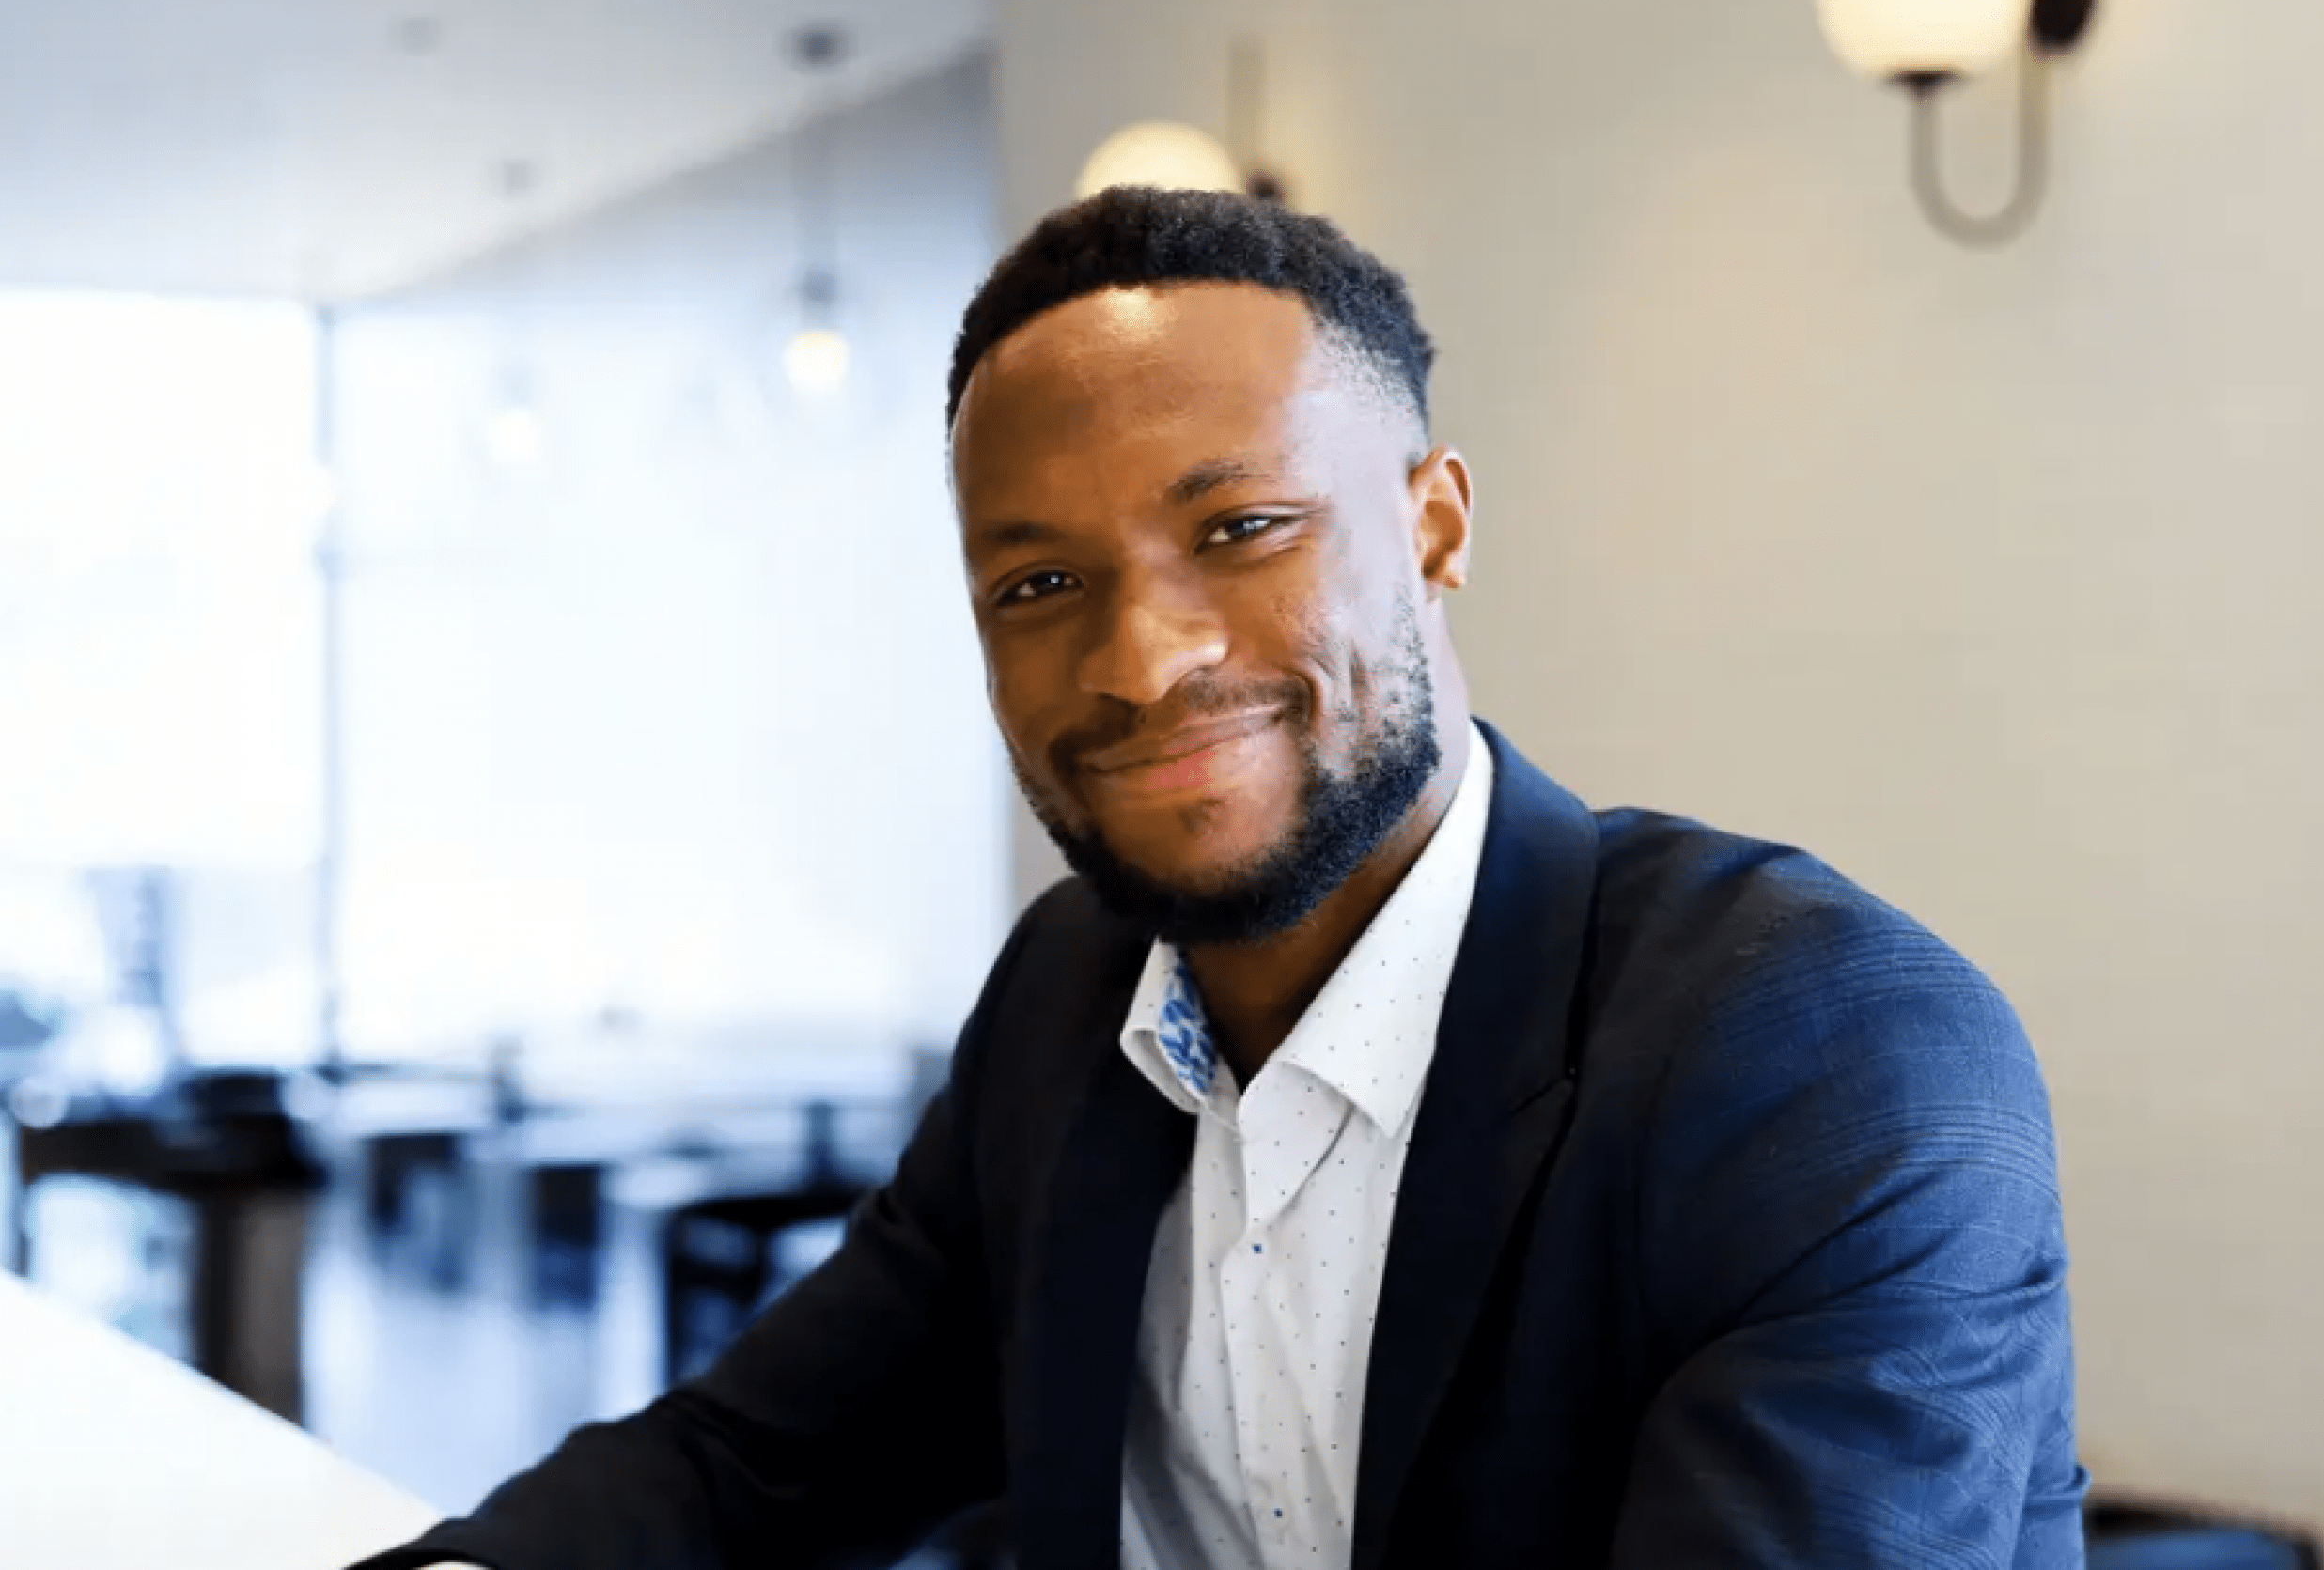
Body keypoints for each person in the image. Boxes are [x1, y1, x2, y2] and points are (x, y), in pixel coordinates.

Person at [356, 187, 2083, 1570]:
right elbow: (756, 1460)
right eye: (1038, 585)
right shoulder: (1067, 1000)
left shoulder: (1823, 1050)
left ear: (1435, 525)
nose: (1141, 658)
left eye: (1242, 528)